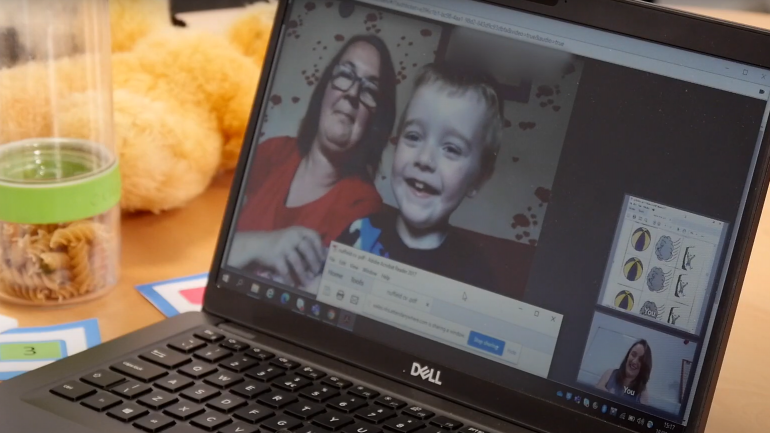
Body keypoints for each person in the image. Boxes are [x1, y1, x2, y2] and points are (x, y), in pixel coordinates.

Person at [228, 35, 397, 288]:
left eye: (370, 90)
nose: (352, 93)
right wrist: (260, 244)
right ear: (324, 89)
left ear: (376, 121)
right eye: (345, 75)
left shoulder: (364, 208)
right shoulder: (273, 152)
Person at [336, 62, 503, 291]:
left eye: (452, 149)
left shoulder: (474, 274)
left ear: (478, 179)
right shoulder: (360, 233)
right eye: (414, 136)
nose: (424, 159)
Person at [596, 339, 653, 405]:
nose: (634, 361)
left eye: (640, 360)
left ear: (644, 366)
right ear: (628, 355)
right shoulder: (609, 373)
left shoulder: (643, 394)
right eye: (633, 355)